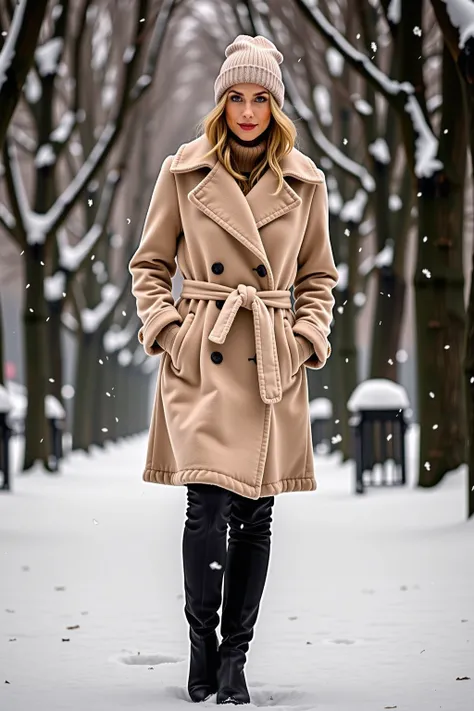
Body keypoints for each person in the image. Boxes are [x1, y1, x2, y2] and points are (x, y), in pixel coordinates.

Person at [129, 35, 338, 705]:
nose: (248, 110)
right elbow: (150, 264)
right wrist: (167, 328)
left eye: (260, 98)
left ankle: (235, 657)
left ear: (275, 107)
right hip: (206, 356)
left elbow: (317, 276)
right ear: (221, 103)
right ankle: (201, 643)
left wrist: (306, 336)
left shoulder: (305, 180)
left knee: (255, 513)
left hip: (271, 358)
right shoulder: (182, 174)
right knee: (206, 505)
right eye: (236, 97)